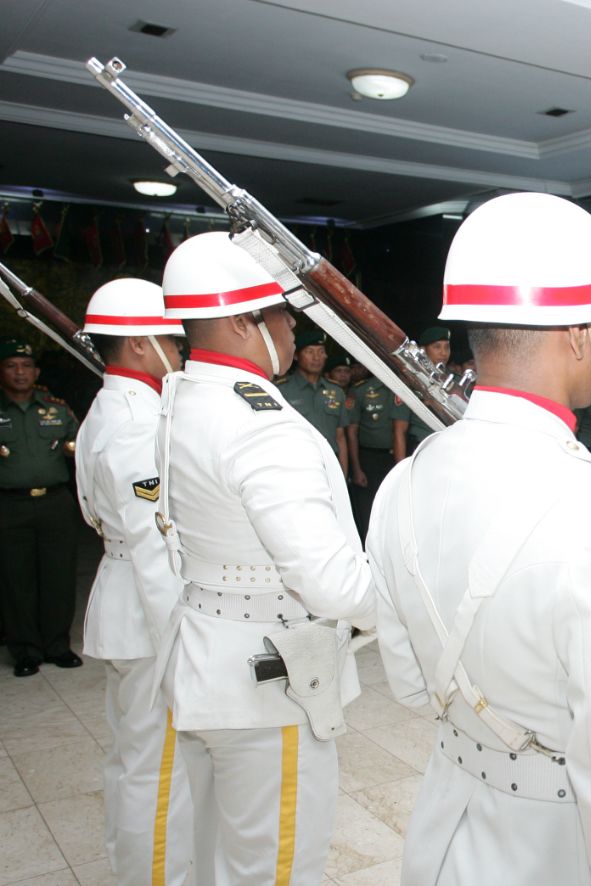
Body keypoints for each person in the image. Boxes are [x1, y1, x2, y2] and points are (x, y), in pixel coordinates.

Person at [365, 192, 591, 885]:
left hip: (444, 826)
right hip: (555, 847)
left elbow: (411, 684)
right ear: (578, 334)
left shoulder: (403, 482)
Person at [155, 231, 377, 883]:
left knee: (217, 850)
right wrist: (405, 596)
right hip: (268, 675)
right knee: (275, 863)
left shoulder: (184, 398)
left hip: (204, 652)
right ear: (240, 319)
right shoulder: (260, 424)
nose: (288, 326)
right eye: (280, 311)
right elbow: (329, 582)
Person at [75, 279, 194, 882]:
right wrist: (180, 637)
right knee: (157, 773)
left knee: (135, 762)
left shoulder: (111, 406)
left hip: (123, 604)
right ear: (141, 344)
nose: (180, 350)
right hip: (150, 620)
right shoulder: (136, 423)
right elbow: (155, 544)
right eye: (172, 338)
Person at [0, 338, 81, 677]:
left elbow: (81, 445)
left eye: (26, 365)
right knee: (16, 579)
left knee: (59, 575)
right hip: (10, 504)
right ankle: (25, 651)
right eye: (11, 365)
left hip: (54, 501)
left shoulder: (57, 408)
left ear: (36, 371)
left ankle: (57, 646)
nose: (20, 372)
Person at [275, 329, 351, 476]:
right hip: (294, 466)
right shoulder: (281, 390)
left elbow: (340, 437)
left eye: (321, 351)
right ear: (296, 356)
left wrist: (343, 475)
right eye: (310, 351)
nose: (316, 357)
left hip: (330, 466)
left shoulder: (336, 392)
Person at [348, 372, 402, 536]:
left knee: (396, 508)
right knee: (370, 510)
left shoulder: (404, 388)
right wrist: (356, 469)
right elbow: (351, 432)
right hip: (370, 459)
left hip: (399, 458)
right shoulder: (362, 390)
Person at [391, 325, 452, 454]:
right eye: (437, 347)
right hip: (422, 450)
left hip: (452, 450)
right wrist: (403, 470)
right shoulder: (411, 383)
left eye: (447, 347)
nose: (443, 353)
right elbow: (399, 430)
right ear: (423, 351)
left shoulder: (455, 382)